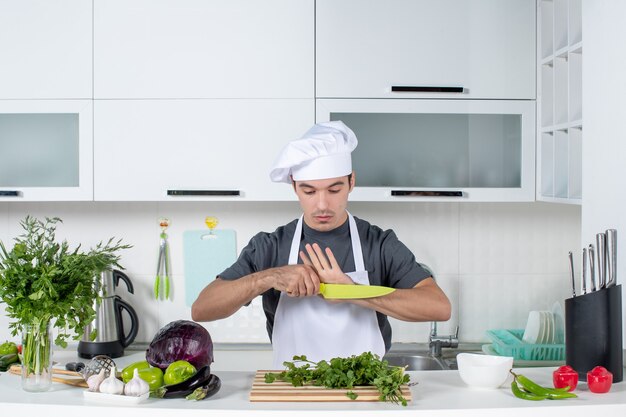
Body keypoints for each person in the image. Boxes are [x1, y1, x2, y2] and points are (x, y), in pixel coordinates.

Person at [191, 121, 451, 368]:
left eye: (334, 190)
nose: (322, 205)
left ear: (351, 182)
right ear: (294, 187)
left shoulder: (379, 243)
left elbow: (439, 306)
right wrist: (267, 278)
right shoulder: (269, 246)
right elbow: (202, 309)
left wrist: (354, 292)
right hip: (292, 392)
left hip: (366, 393)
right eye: (309, 191)